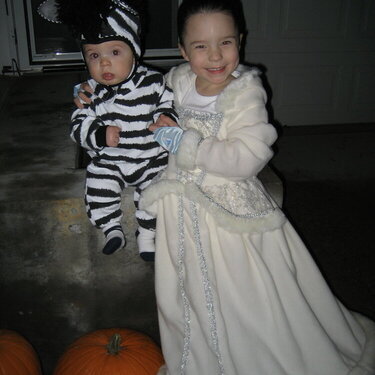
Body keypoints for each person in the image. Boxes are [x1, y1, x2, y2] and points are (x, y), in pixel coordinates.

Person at [138, 0, 375, 373]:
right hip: (180, 212)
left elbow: (247, 157)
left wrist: (185, 143)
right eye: (200, 46)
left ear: (241, 41)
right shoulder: (177, 80)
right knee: (186, 295)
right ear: (183, 50)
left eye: (226, 42)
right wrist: (95, 98)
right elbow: (139, 100)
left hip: (229, 217)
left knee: (246, 297)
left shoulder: (245, 92)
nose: (215, 56)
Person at [38, 0, 177, 259]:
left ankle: (147, 235)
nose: (104, 64)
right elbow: (77, 125)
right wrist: (98, 135)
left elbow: (168, 102)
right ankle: (111, 227)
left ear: (134, 52)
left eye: (115, 53)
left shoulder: (154, 81)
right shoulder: (90, 91)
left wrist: (165, 117)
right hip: (111, 161)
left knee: (158, 192)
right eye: (94, 55)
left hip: (149, 160)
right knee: (97, 181)